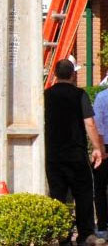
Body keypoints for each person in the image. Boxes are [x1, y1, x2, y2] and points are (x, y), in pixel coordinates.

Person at [45, 59, 103, 246]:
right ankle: (86, 234)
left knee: (57, 195)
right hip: (76, 154)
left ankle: (61, 235)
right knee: (83, 193)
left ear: (55, 74)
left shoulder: (46, 95)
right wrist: (97, 148)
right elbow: (90, 123)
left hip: (53, 154)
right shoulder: (80, 94)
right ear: (73, 74)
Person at [92, 70, 108, 240]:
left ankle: (103, 226)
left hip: (105, 146)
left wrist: (99, 148)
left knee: (100, 189)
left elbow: (98, 125)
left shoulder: (101, 97)